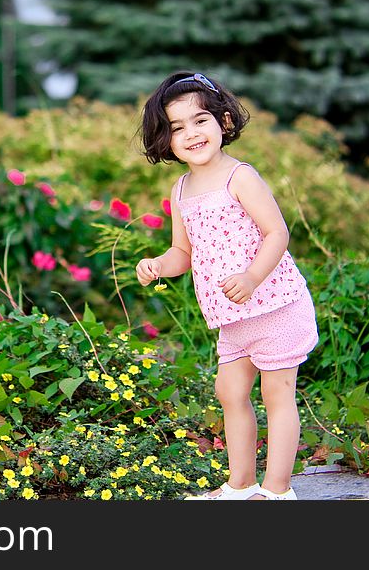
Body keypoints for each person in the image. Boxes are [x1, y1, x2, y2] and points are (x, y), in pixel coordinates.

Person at [135, 72, 318, 500]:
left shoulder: (240, 177)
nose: (191, 134)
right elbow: (183, 252)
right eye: (177, 128)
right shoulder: (180, 189)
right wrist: (158, 264)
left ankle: (276, 491)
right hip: (232, 318)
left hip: (275, 306)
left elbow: (277, 233)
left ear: (224, 122)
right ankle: (240, 484)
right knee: (229, 391)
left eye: (200, 121)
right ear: (165, 140)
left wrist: (253, 276)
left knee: (277, 392)